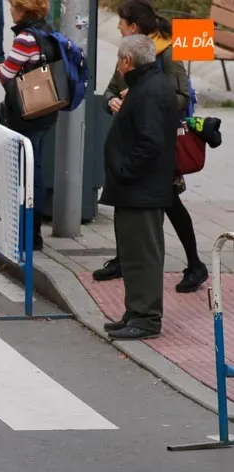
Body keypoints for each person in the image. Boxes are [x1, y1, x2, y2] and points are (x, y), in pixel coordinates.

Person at [92, 0, 207, 293]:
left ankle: (195, 264)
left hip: (159, 142)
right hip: (131, 138)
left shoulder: (166, 51)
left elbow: (181, 96)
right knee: (127, 199)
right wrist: (111, 101)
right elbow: (110, 90)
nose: (118, 27)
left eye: (121, 22)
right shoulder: (128, 52)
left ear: (133, 26)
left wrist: (142, 97)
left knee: (170, 201)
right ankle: (123, 258)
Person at [99, 34, 177, 340]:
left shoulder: (149, 90)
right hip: (136, 189)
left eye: (119, 59)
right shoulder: (147, 85)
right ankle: (136, 312)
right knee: (133, 254)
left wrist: (125, 171)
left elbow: (150, 142)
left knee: (143, 254)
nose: (118, 65)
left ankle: (146, 317)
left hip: (141, 189)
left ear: (127, 61)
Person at [0, 0, 60, 252]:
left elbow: (6, 75)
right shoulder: (48, 32)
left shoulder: (25, 38)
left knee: (27, 173)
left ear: (22, 10)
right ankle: (33, 232)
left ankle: (27, 232)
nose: (10, 10)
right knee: (35, 168)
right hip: (45, 109)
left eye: (13, 7)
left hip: (26, 113)